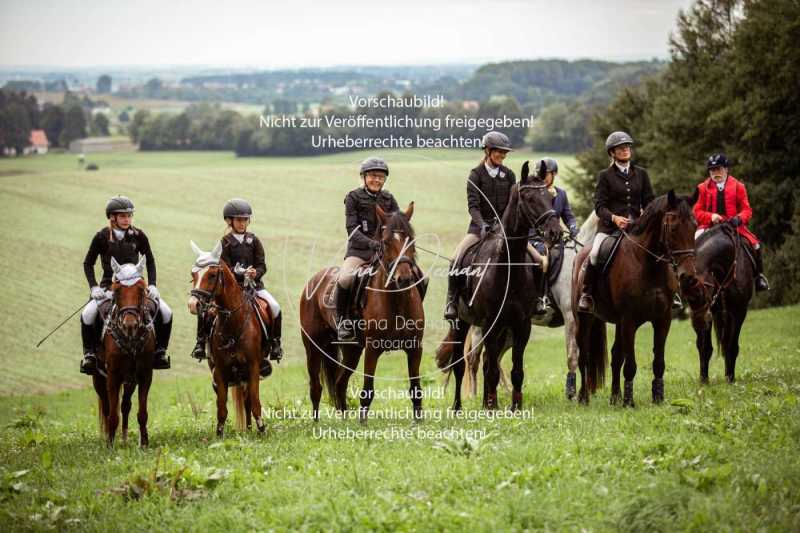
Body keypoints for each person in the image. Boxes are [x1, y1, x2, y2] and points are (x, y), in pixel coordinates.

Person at [443, 131, 545, 320]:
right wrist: (482, 224)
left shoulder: (509, 175)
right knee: (456, 259)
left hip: (504, 229)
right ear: (488, 151)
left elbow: (512, 204)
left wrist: (505, 225)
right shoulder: (475, 175)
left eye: (504, 152)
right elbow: (473, 206)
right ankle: (452, 301)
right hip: (478, 228)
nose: (502, 155)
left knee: (539, 260)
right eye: (499, 151)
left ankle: (538, 299)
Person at [80, 196, 172, 374]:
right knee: (87, 315)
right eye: (122, 216)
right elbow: (87, 263)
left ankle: (159, 352)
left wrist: (152, 285)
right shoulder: (101, 237)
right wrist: (94, 287)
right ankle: (90, 355)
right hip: (109, 288)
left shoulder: (139, 235)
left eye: (129, 216)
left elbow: (150, 261)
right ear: (112, 217)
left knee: (167, 312)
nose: (127, 219)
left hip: (137, 288)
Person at [190, 199, 282, 377]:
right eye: (238, 220)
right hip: (232, 290)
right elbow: (224, 268)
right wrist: (239, 274)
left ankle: (275, 344)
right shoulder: (224, 243)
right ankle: (201, 343)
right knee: (207, 312)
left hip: (255, 287)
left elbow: (262, 265)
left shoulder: (254, 240)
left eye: (245, 219)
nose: (242, 223)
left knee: (276, 308)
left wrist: (256, 272)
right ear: (229, 221)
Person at [577, 131, 655, 313]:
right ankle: (587, 294)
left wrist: (644, 217)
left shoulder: (641, 174)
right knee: (595, 253)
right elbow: (599, 206)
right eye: (621, 148)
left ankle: (670, 292)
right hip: (609, 228)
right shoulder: (605, 176)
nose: (626, 150)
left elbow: (650, 201)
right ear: (612, 153)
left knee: (659, 248)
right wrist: (614, 218)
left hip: (637, 228)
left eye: (627, 147)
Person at [335, 157, 399, 341]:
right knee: (346, 278)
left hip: (385, 252)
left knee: (417, 276)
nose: (377, 180)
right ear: (363, 177)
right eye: (372, 176)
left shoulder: (388, 198)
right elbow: (351, 230)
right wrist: (371, 243)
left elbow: (398, 223)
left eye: (380, 177)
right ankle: (343, 322)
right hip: (359, 252)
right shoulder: (353, 197)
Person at [693, 153, 769, 291]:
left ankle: (759, 278)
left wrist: (738, 218)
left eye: (719, 169)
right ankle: (689, 281)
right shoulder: (702, 188)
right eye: (712, 170)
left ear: (726, 169)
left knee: (756, 245)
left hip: (733, 227)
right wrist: (710, 217)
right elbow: (696, 212)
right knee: (691, 244)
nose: (716, 173)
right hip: (709, 227)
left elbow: (747, 210)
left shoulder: (738, 186)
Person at [528, 158, 578, 312]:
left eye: (546, 173)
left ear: (554, 174)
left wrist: (573, 227)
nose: (543, 176)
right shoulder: (533, 193)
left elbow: (568, 216)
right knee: (543, 256)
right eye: (540, 174)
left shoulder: (561, 194)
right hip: (536, 238)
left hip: (556, 239)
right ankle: (541, 296)